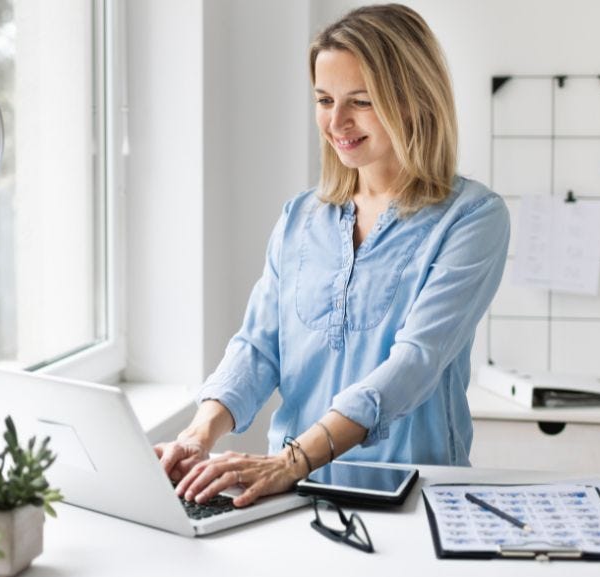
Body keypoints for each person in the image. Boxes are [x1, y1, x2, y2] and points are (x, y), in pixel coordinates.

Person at [155, 3, 509, 507]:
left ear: (413, 100)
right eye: (324, 99)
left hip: (408, 492)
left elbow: (415, 362)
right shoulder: (301, 216)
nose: (336, 121)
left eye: (360, 102)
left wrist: (293, 459)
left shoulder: (472, 218)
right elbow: (258, 348)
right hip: (288, 492)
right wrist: (198, 436)